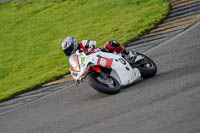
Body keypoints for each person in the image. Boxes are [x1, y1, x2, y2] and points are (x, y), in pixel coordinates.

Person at [61, 35, 140, 61]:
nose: (68, 52)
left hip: (102, 53)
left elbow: (93, 43)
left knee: (110, 44)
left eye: (68, 49)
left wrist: (90, 49)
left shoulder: (83, 43)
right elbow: (80, 62)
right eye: (66, 51)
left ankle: (129, 54)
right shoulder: (76, 56)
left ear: (73, 44)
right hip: (95, 62)